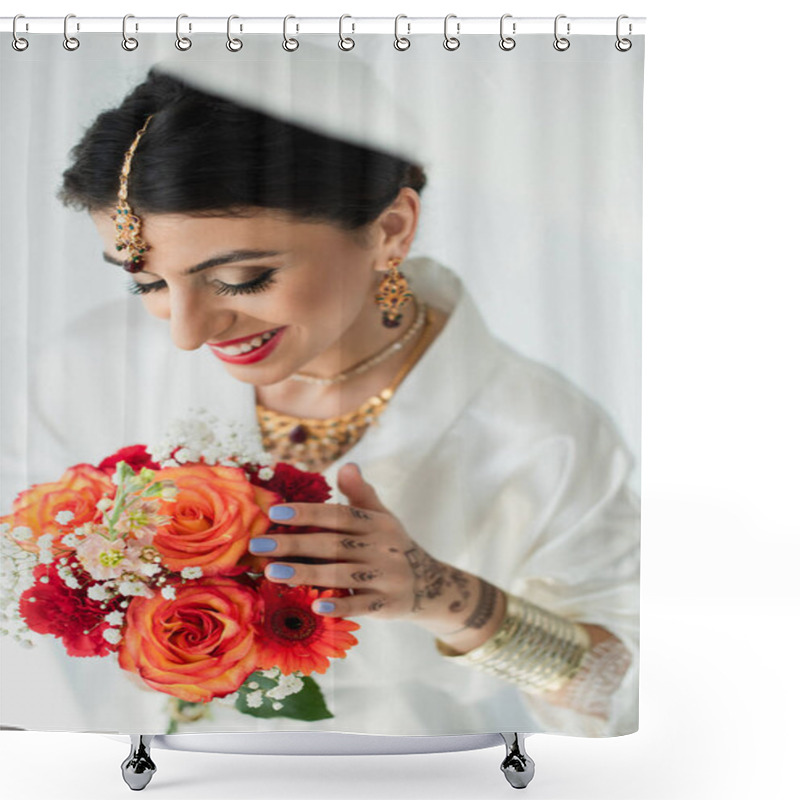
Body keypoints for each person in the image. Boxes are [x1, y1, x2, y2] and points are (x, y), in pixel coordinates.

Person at [17, 65, 639, 737]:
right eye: (146, 284)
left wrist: (445, 596)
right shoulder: (90, 369)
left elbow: (625, 697)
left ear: (390, 230)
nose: (187, 333)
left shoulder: (543, 434)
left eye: (240, 278)